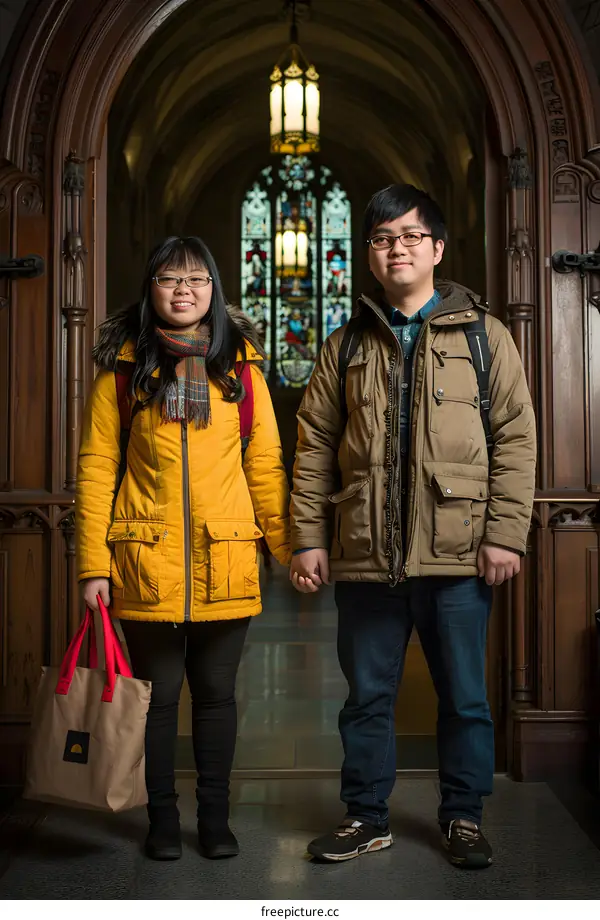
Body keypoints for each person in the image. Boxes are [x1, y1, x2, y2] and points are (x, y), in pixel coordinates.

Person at [289, 184, 536, 868]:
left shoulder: (485, 338)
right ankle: (365, 815)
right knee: (367, 700)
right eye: (381, 238)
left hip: (458, 556)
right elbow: (313, 447)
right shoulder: (344, 346)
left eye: (407, 235)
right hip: (367, 556)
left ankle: (462, 816)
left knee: (464, 698)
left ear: (436, 248)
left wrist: (505, 533)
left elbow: (515, 438)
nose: (395, 248)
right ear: (368, 256)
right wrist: (308, 537)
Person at [76, 236, 290, 861]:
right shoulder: (123, 371)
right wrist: (93, 566)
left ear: (215, 291)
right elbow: (96, 467)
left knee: (218, 698)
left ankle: (216, 820)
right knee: (158, 699)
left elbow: (267, 465)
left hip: (224, 559)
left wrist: (290, 548)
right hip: (146, 560)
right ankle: (162, 820)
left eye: (197, 279)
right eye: (170, 279)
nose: (184, 290)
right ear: (151, 290)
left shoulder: (242, 372)